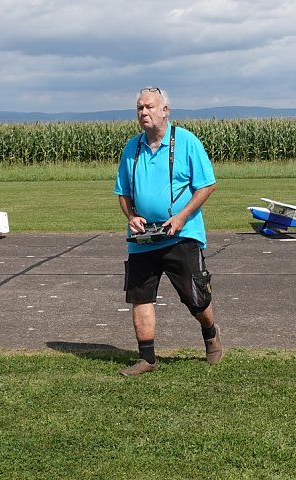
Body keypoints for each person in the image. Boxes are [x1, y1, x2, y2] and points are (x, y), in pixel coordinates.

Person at [113, 86, 220, 376]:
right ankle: (147, 358)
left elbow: (207, 184)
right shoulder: (131, 148)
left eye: (149, 107)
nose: (143, 112)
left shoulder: (186, 142)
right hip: (143, 238)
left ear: (165, 111)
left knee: (195, 298)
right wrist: (132, 216)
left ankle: (210, 333)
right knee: (140, 297)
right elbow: (122, 191)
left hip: (181, 234)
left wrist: (182, 218)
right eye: (139, 108)